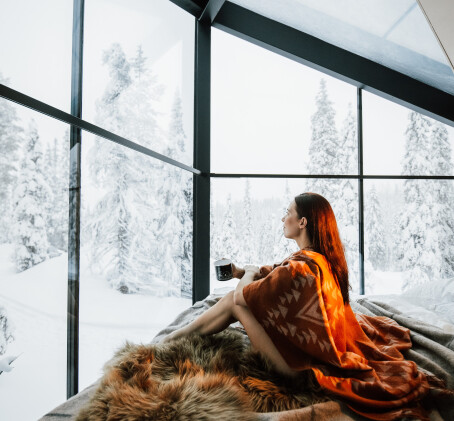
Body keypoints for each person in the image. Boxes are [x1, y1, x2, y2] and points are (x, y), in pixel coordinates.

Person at [160, 192, 438, 420]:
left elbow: (245, 296)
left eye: (288, 212)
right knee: (239, 295)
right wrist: (242, 271)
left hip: (295, 369)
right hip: (311, 354)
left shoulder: (298, 269)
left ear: (302, 221)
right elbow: (276, 274)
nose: (284, 218)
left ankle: (173, 338)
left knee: (234, 302)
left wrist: (245, 278)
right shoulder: (318, 259)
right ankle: (181, 334)